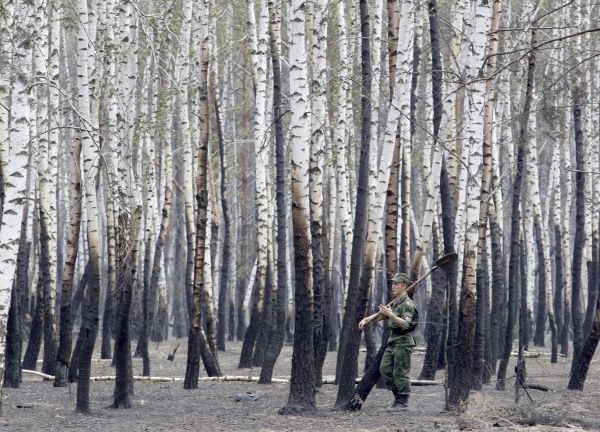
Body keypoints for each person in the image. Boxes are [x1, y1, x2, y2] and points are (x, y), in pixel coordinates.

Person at [358, 272, 419, 410]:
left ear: (403, 286)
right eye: (393, 283)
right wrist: (367, 319)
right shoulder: (397, 301)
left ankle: (402, 402)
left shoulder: (407, 304)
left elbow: (405, 324)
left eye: (396, 284)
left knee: (400, 372)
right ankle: (398, 397)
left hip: (403, 340)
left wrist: (390, 314)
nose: (393, 286)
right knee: (384, 369)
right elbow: (382, 315)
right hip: (393, 340)